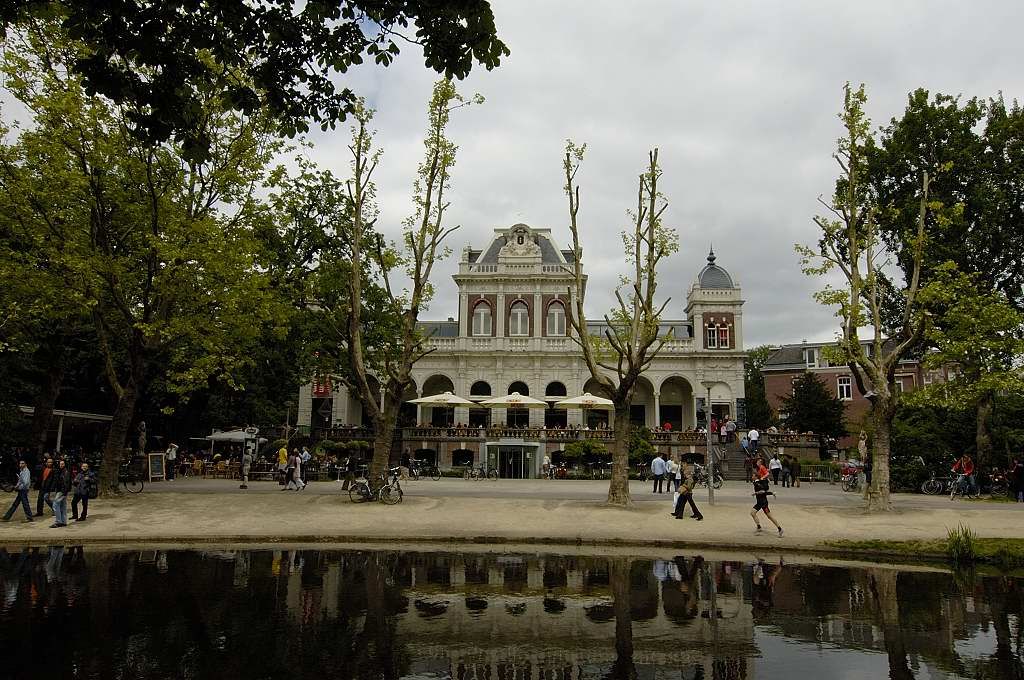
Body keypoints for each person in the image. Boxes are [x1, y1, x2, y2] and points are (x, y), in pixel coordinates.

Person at [751, 463, 783, 537]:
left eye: (753, 475)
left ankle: (780, 529)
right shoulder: (755, 482)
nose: (751, 476)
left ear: (755, 477)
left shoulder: (757, 483)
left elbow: (763, 491)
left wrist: (755, 493)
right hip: (759, 502)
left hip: (763, 502)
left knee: (769, 516)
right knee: (752, 513)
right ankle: (759, 527)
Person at [50, 458, 72, 528]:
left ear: (65, 464)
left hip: (62, 491)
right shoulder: (62, 471)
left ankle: (58, 521)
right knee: (63, 506)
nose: (61, 465)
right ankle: (63, 521)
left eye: (62, 464)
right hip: (62, 490)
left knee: (55, 504)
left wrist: (64, 491)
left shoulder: (65, 472)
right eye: (60, 464)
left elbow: (66, 482)